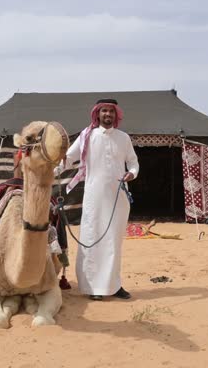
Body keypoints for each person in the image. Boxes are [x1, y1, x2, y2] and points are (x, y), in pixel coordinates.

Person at [56, 98, 139, 301]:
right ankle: (94, 288)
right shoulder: (87, 136)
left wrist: (132, 173)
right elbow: (68, 158)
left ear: (116, 114)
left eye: (111, 111)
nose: (108, 114)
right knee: (92, 240)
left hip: (118, 198)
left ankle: (113, 285)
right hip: (94, 198)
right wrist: (51, 171)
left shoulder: (123, 138)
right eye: (104, 111)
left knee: (113, 243)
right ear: (97, 113)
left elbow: (134, 162)